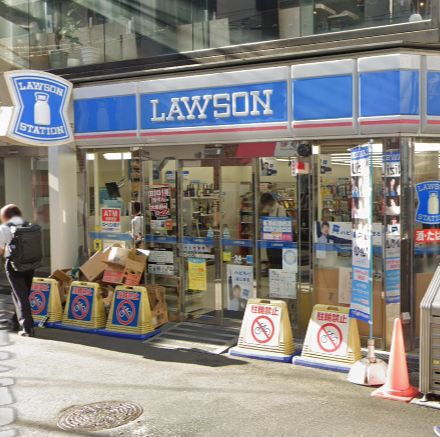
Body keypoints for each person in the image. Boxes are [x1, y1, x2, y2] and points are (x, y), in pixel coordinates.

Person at [0, 205, 35, 337]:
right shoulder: (28, 225)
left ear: (5, 215)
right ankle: (15, 322)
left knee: (20, 296)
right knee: (21, 294)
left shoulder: (5, 228)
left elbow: (0, 249)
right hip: (30, 264)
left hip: (14, 265)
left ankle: (27, 328)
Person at [260, 193, 287, 269]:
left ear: (270, 201)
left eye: (266, 203)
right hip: (270, 238)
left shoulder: (280, 208)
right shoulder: (269, 210)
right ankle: (272, 267)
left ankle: (277, 268)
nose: (265, 205)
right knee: (271, 256)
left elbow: (283, 225)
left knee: (277, 257)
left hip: (278, 238)